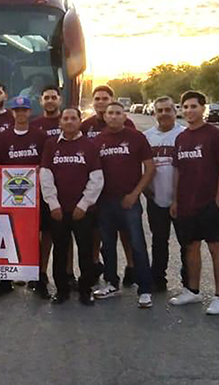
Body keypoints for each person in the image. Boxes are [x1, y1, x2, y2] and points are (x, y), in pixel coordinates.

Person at [169, 91, 219, 315]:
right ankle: (192, 291)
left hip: (209, 203)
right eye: (185, 107)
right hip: (187, 203)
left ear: (203, 108)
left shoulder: (215, 136)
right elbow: (177, 171)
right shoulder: (181, 138)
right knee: (191, 247)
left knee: (215, 247)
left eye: (193, 106)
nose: (188, 111)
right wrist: (175, 199)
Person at [92, 102, 155, 308]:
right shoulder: (98, 140)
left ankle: (145, 289)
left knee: (137, 244)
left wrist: (135, 194)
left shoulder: (136, 137)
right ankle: (111, 283)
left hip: (130, 200)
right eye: (110, 113)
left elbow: (149, 168)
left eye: (118, 113)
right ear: (105, 116)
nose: (114, 116)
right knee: (108, 245)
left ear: (123, 115)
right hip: (105, 201)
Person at [40, 107, 104, 305]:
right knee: (60, 251)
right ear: (60, 122)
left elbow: (96, 178)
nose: (69, 122)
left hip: (82, 211)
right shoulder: (51, 145)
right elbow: (45, 175)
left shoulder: (90, 145)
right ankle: (62, 291)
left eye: (73, 118)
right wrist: (53, 204)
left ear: (79, 121)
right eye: (65, 118)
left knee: (85, 251)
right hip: (58, 210)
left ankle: (86, 290)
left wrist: (84, 205)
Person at [0, 96, 48, 296]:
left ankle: (38, 277)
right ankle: (6, 279)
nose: (21, 114)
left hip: (35, 195)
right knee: (8, 235)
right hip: (10, 195)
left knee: (35, 236)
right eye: (17, 110)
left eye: (24, 110)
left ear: (29, 112)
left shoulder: (40, 137)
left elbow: (46, 164)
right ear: (12, 113)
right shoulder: (2, 138)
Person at [81, 85, 136, 286]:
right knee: (96, 231)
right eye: (97, 99)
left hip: (120, 188)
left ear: (112, 100)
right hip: (95, 189)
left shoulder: (127, 123)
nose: (101, 102)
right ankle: (96, 264)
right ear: (93, 102)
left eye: (105, 98)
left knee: (125, 231)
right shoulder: (86, 126)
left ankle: (131, 266)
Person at [29, 85, 77, 296]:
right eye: (46, 97)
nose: (49, 101)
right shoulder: (35, 126)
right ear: (41, 101)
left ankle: (68, 273)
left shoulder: (69, 124)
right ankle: (41, 273)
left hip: (67, 189)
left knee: (67, 237)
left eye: (53, 97)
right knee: (45, 235)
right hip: (41, 189)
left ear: (59, 100)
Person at [142, 96, 188, 292]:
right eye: (159, 110)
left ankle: (189, 282)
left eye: (167, 110)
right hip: (156, 197)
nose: (164, 114)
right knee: (159, 241)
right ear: (154, 114)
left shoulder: (184, 135)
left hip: (182, 199)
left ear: (174, 111)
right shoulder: (146, 137)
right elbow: (140, 167)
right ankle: (158, 279)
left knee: (186, 243)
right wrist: (146, 190)